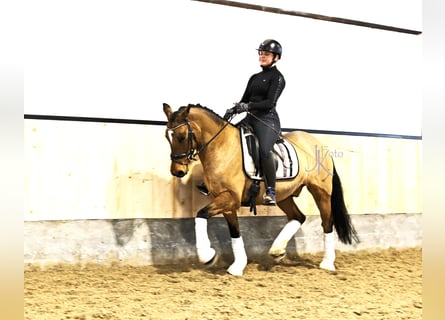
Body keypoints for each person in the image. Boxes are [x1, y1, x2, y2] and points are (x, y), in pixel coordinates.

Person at [198, 39, 286, 205]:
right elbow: (245, 99)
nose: (262, 56)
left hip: (267, 120)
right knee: (223, 140)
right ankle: (210, 181)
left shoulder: (278, 78)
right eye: (261, 53)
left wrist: (248, 106)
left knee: (264, 151)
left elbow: (269, 103)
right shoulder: (254, 77)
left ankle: (270, 190)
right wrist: (237, 108)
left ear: (276, 57)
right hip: (250, 119)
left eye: (266, 54)